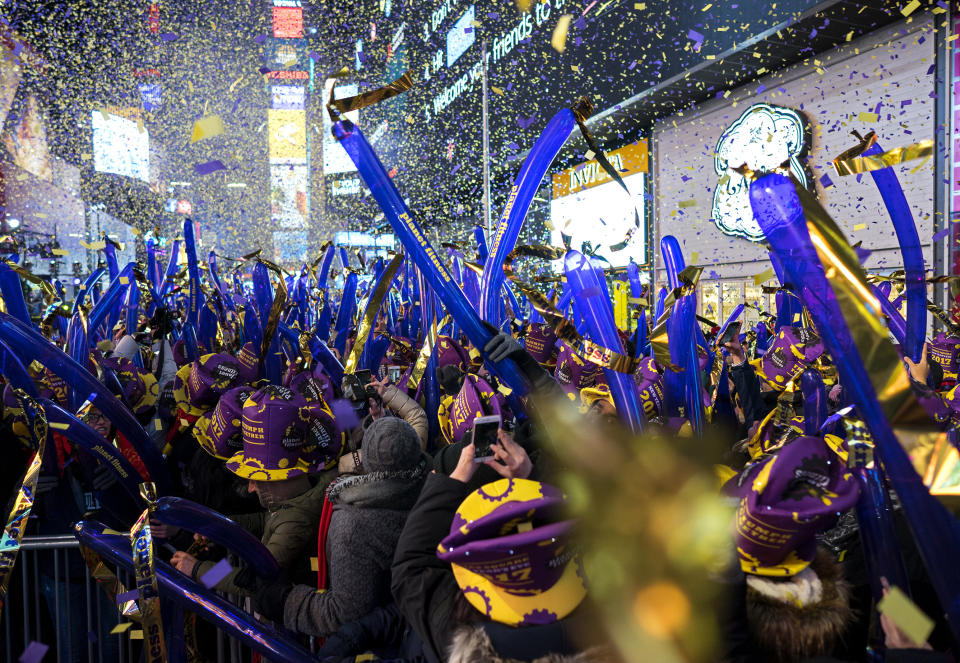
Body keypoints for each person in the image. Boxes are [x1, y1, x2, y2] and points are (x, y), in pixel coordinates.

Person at [253, 417, 429, 642]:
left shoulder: (344, 522)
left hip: (355, 633)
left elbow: (252, 575)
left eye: (254, 481)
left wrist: (203, 571)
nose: (250, 487)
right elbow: (260, 520)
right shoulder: (429, 483)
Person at [170, 384, 334, 594]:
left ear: (278, 476)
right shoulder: (294, 498)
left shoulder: (294, 522)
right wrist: (218, 527)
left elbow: (253, 581)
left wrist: (197, 569)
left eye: (255, 478)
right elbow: (266, 520)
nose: (249, 488)